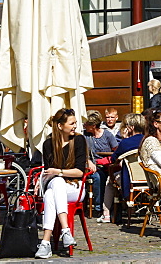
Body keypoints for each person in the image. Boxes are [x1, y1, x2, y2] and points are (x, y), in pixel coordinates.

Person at [35, 109, 88, 259]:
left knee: (55, 184)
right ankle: (58, 236)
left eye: (75, 123)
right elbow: (47, 172)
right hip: (55, 186)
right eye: (72, 123)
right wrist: (53, 175)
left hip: (75, 188)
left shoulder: (79, 140)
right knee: (52, 191)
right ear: (60, 126)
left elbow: (79, 172)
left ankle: (49, 241)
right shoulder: (48, 144)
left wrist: (58, 171)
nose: (75, 126)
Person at [103, 113, 147, 223]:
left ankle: (106, 213)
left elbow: (113, 160)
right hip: (149, 178)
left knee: (109, 181)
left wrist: (124, 139)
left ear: (130, 128)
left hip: (130, 180)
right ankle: (131, 207)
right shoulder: (149, 140)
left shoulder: (125, 143)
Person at [83, 110, 117, 219]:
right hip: (90, 166)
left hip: (107, 165)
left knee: (106, 176)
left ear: (93, 126)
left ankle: (108, 207)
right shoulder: (85, 135)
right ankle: (98, 208)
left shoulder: (107, 135)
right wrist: (89, 162)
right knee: (97, 177)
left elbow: (116, 151)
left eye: (86, 124)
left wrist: (105, 161)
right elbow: (81, 152)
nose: (84, 126)